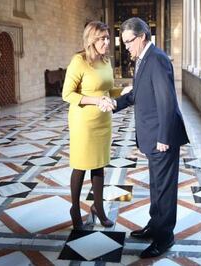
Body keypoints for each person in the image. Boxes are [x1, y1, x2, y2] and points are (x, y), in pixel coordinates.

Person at [112, 17, 189, 258]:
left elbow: (167, 99)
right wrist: (116, 103)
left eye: (129, 42)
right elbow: (138, 93)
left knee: (165, 189)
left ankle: (164, 237)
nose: (127, 47)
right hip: (152, 135)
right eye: (124, 43)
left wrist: (164, 137)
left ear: (142, 36)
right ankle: (154, 226)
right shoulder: (144, 59)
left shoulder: (157, 59)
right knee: (156, 186)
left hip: (161, 137)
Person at [62, 21, 115, 230]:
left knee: (99, 164)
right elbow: (67, 94)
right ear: (91, 39)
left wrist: (123, 92)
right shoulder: (79, 61)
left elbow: (107, 91)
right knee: (81, 165)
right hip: (83, 122)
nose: (107, 42)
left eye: (108, 38)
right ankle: (75, 209)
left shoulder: (106, 60)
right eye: (102, 38)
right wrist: (97, 101)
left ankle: (98, 208)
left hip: (103, 121)